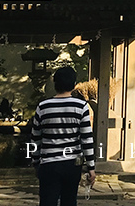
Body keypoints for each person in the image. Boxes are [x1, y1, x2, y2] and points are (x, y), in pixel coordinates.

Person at [29, 65, 97, 206]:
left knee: (47, 201)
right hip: (72, 164)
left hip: (48, 164)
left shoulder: (43, 106)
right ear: (73, 85)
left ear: (55, 83)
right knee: (69, 201)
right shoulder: (81, 106)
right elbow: (87, 139)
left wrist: (36, 163)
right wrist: (91, 167)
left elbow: (35, 138)